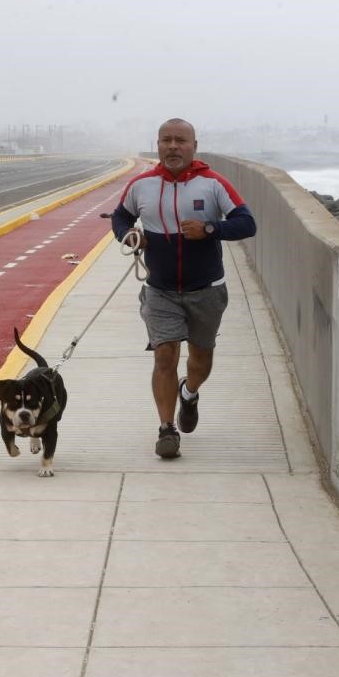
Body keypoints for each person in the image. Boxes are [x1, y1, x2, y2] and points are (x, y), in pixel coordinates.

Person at [109, 118, 257, 458]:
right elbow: (120, 217)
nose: (172, 147)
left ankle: (189, 394)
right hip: (160, 289)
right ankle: (166, 429)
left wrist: (208, 229)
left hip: (206, 290)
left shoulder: (213, 184)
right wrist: (128, 235)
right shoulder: (141, 185)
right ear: (158, 145)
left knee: (200, 360)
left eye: (180, 141)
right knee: (165, 355)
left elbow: (247, 223)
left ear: (194, 146)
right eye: (166, 140)